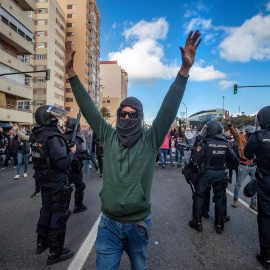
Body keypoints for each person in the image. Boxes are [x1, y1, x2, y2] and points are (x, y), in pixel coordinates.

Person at [65, 30, 201, 269]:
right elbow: (88, 107)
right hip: (108, 225)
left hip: (138, 225)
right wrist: (71, 73)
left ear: (140, 117)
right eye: (123, 114)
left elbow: (168, 110)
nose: (127, 117)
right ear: (119, 116)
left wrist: (184, 72)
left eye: (133, 114)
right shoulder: (108, 135)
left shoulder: (150, 139)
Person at [29, 105, 76, 265]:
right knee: (59, 213)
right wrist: (72, 152)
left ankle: (41, 243)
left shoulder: (36, 135)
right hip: (56, 181)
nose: (58, 121)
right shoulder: (53, 137)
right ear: (48, 119)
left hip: (43, 180)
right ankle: (55, 252)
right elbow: (62, 163)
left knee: (46, 210)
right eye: (55, 118)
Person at [189, 121, 239, 234]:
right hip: (220, 173)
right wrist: (225, 166)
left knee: (199, 196)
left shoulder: (204, 143)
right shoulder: (225, 143)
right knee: (220, 198)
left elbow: (195, 159)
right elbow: (235, 160)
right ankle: (219, 224)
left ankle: (197, 222)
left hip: (207, 173)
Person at [244, 106, 270, 269]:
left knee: (266, 217)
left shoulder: (258, 136)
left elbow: (247, 154)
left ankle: (266, 256)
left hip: (266, 181)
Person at [225, 112, 257, 211]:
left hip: (253, 164)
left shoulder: (254, 138)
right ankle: (235, 200)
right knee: (238, 184)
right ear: (246, 132)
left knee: (255, 184)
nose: (251, 135)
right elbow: (233, 131)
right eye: (249, 134)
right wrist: (228, 122)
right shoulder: (240, 138)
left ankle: (253, 202)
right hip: (243, 164)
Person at [63, 117, 87, 213]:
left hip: (65, 167)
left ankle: (64, 208)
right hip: (75, 167)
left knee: (66, 187)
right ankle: (78, 205)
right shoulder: (76, 138)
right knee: (79, 186)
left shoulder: (62, 137)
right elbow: (80, 153)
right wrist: (85, 154)